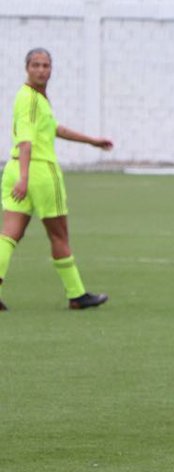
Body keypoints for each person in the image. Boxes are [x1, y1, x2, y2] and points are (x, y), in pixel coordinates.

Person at [0, 48, 111, 311]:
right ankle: (77, 295)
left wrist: (91, 141)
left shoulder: (33, 97)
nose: (41, 70)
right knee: (59, 235)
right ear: (26, 68)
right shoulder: (31, 99)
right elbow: (26, 141)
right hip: (38, 173)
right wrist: (25, 178)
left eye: (45, 65)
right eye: (36, 65)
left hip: (15, 169)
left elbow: (54, 129)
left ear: (51, 69)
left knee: (9, 235)